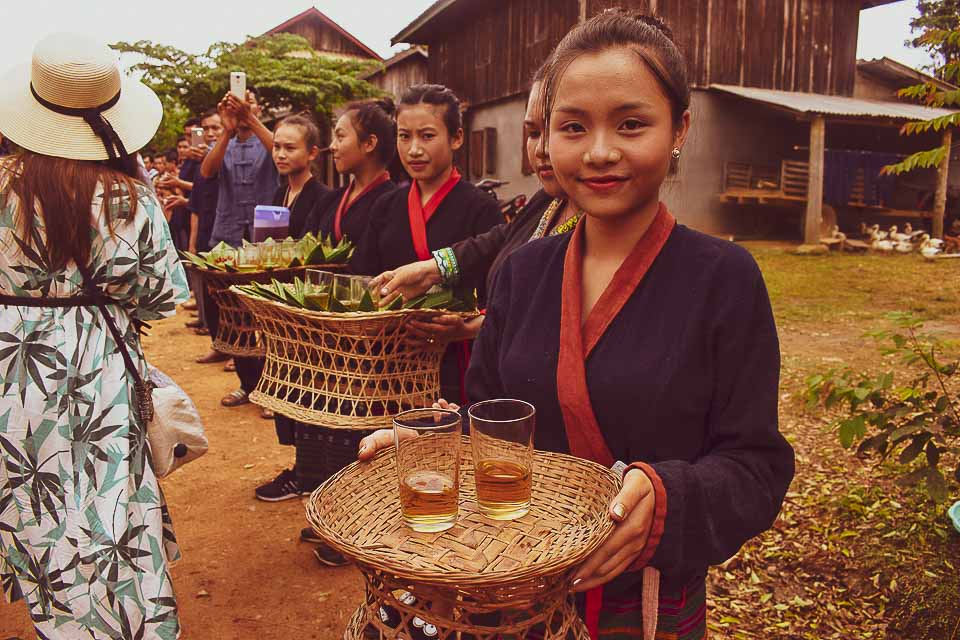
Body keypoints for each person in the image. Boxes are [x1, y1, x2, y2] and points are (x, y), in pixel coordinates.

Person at [358, 11, 794, 640]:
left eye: (632, 124)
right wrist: (434, 447)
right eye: (572, 127)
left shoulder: (723, 277)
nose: (599, 152)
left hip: (642, 602)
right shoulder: (525, 271)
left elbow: (757, 464)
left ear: (680, 129)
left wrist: (665, 497)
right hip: (509, 589)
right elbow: (485, 416)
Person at [0, 33, 188, 638]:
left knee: (26, 495)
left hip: (9, 366)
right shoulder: (127, 195)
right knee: (104, 501)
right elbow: (160, 297)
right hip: (95, 368)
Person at [371, 68, 580, 344]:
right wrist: (431, 269)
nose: (542, 149)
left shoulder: (481, 206)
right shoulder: (545, 201)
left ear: (456, 138)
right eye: (532, 132)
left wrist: (469, 326)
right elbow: (498, 243)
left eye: (570, 128)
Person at [350, 84, 503, 404]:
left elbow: (498, 291)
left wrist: (462, 325)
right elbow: (364, 275)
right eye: (404, 136)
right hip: (391, 358)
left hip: (457, 360)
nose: (414, 149)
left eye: (427, 136)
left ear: (457, 137)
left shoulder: (481, 208)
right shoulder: (386, 206)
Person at [199, 85, 279, 405]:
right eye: (239, 104)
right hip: (228, 236)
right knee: (234, 316)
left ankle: (274, 389)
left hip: (267, 240)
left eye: (250, 104)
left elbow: (279, 152)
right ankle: (248, 384)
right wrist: (226, 129)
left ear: (257, 108)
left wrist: (251, 121)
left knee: (271, 316)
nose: (244, 109)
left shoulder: (269, 140)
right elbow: (207, 171)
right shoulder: (226, 142)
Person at [304, 98, 398, 241]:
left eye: (340, 137)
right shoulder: (328, 201)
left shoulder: (396, 203)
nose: (332, 146)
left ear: (369, 143)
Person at [271, 113, 327, 238]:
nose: (280, 155)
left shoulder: (323, 197)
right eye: (276, 147)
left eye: (290, 148)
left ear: (312, 153)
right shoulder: (280, 193)